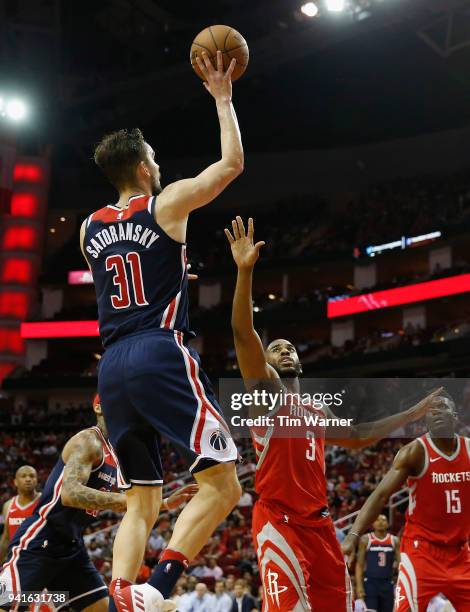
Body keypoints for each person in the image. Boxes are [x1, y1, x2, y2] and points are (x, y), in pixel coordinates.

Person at [80, 49, 243, 612]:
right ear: (147, 169)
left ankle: (122, 595)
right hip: (158, 351)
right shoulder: (166, 203)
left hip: (112, 365)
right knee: (224, 484)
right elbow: (230, 166)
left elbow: (123, 272)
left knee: (140, 500)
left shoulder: (87, 228)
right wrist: (222, 98)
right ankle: (157, 590)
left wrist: (169, 270)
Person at [225, 216, 442, 611]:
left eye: (290, 348)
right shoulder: (268, 394)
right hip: (280, 522)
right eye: (276, 349)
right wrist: (245, 272)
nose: (284, 350)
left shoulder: (317, 409)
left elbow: (359, 434)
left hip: (321, 526)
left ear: (302, 365)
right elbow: (243, 333)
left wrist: (409, 413)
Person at [0, 396, 195, 611]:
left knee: (103, 609)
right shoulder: (88, 440)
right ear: (98, 407)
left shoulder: (116, 454)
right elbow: (70, 493)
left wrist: (165, 503)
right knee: (6, 604)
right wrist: (131, 501)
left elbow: (129, 503)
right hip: (41, 539)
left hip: (72, 547)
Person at [342, 394, 470, 611]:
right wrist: (353, 536)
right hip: (422, 552)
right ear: (425, 421)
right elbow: (381, 495)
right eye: (432, 410)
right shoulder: (414, 452)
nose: (437, 412)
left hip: (460, 552)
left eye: (442, 408)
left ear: (455, 416)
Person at [354, 514, 399, 612]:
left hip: (387, 583)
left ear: (388, 524)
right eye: (377, 520)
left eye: (383, 520)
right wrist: (359, 586)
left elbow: (400, 565)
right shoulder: (366, 539)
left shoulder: (394, 540)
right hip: (370, 583)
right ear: (372, 524)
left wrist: (400, 584)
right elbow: (360, 565)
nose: (380, 522)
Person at [0, 466, 40, 563]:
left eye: (32, 476)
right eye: (23, 476)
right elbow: (6, 537)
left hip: (39, 560)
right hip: (16, 560)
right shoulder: (8, 505)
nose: (28, 479)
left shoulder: (44, 502)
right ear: (15, 482)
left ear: (37, 480)